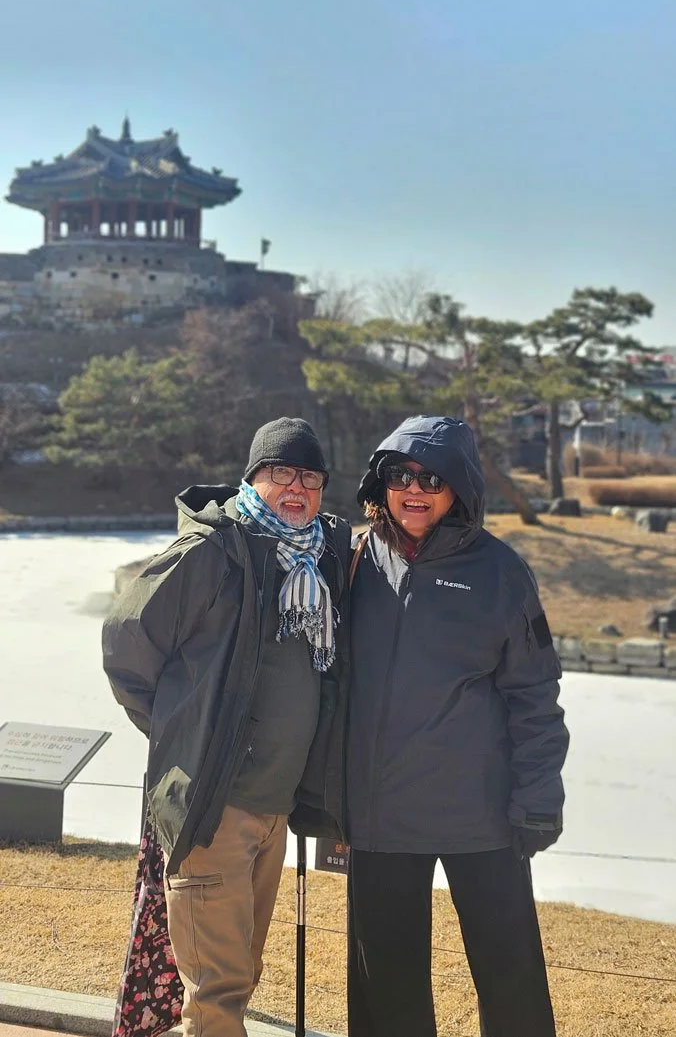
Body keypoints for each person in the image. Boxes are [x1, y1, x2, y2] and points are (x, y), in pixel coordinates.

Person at [103, 417, 350, 1037]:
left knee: (237, 976)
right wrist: (182, 738)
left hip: (273, 809)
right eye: (282, 473)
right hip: (215, 807)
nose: (298, 488)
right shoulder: (212, 555)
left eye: (312, 477)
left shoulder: (317, 561)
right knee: (217, 993)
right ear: (253, 477)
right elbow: (127, 647)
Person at [346, 415, 569, 1037]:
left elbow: (535, 696)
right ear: (380, 481)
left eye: (433, 478)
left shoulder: (500, 572)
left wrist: (538, 798)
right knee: (384, 983)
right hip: (379, 815)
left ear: (461, 487)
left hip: (484, 817)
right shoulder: (355, 558)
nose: (414, 489)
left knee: (510, 974)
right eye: (400, 475)